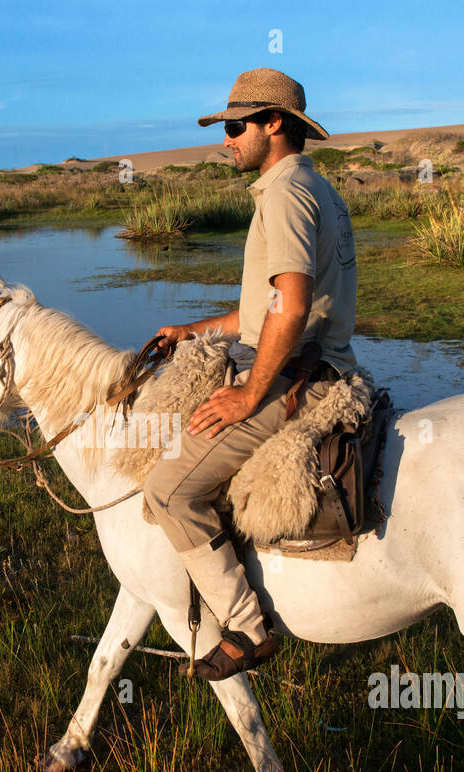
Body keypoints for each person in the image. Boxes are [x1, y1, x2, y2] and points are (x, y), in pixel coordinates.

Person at [144, 67, 359, 681]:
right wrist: (195, 331)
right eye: (225, 128)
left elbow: (290, 308)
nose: (227, 139)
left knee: (169, 490)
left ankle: (246, 626)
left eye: (236, 126)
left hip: (296, 375)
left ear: (274, 125)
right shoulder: (314, 188)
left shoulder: (286, 194)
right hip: (310, 360)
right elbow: (268, 304)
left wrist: (248, 394)